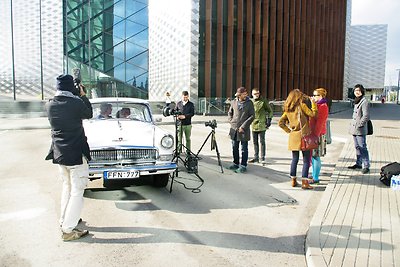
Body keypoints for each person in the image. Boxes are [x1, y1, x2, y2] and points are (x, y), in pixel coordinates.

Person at [45, 74, 93, 241]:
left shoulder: (50, 104)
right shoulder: (75, 103)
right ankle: (67, 230)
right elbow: (89, 113)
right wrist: (83, 95)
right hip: (75, 155)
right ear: (71, 88)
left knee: (67, 187)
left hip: (60, 154)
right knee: (77, 191)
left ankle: (64, 220)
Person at [278, 89, 317, 189]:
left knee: (294, 159)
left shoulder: (288, 109)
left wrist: (289, 131)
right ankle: (305, 182)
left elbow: (280, 123)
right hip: (303, 136)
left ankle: (293, 180)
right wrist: (313, 103)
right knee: (305, 160)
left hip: (293, 137)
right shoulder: (302, 106)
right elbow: (313, 114)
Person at [228, 87, 255, 173]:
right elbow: (230, 113)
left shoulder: (249, 103)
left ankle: (243, 165)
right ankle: (235, 163)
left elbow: (252, 116)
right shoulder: (234, 102)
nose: (246, 95)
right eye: (244, 94)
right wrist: (231, 121)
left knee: (244, 148)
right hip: (234, 128)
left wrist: (243, 126)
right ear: (239, 95)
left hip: (244, 130)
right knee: (234, 147)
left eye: (246, 93)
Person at [348, 84, 370, 174]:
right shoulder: (357, 100)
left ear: (362, 91)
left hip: (360, 129)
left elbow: (366, 116)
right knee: (357, 147)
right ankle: (358, 163)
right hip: (354, 129)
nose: (357, 92)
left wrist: (360, 124)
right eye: (355, 90)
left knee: (362, 147)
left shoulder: (364, 101)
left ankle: (366, 165)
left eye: (358, 90)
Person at [308, 88, 329, 184]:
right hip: (314, 133)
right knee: (313, 156)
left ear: (321, 96)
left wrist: (315, 135)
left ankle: (315, 178)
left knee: (316, 156)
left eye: (315, 95)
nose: (313, 97)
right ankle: (314, 174)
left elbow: (320, 122)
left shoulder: (323, 106)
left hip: (318, 134)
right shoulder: (317, 105)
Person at [248, 88, 273, 165]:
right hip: (253, 124)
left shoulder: (263, 101)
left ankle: (262, 158)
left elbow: (270, 111)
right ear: (252, 94)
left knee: (262, 142)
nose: (257, 95)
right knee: (255, 142)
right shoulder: (250, 102)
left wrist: (269, 120)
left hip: (262, 124)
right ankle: (256, 157)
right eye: (255, 94)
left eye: (258, 93)